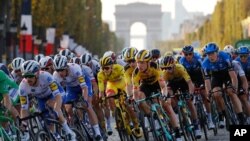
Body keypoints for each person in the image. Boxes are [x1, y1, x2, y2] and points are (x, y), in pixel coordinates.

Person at [132, 49, 182, 141]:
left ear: (148, 62)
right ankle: (152, 116)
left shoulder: (155, 66)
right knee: (140, 98)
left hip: (157, 84)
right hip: (145, 85)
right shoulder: (136, 72)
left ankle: (177, 131)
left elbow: (163, 86)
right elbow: (135, 91)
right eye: (138, 62)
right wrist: (135, 100)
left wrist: (164, 95)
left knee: (166, 105)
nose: (139, 65)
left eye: (142, 63)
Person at [19, 60, 76, 141]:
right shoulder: (22, 87)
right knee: (46, 120)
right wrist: (24, 124)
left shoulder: (46, 76)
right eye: (25, 76)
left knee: (52, 105)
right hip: (41, 98)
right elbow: (24, 108)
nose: (28, 79)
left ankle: (69, 132)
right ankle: (55, 136)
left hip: (54, 94)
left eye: (31, 76)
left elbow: (58, 97)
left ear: (37, 74)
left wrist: (56, 110)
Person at [53, 56, 103, 140]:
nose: (60, 73)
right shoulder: (55, 76)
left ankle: (98, 133)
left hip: (84, 85)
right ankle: (76, 125)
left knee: (87, 106)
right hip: (71, 88)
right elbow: (58, 93)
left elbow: (84, 88)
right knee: (68, 108)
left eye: (62, 70)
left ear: (66, 68)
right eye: (58, 70)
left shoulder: (75, 68)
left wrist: (84, 100)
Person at [98, 56, 142, 138]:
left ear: (112, 66)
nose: (104, 70)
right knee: (110, 97)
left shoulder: (119, 68)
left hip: (122, 83)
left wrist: (129, 92)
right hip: (112, 85)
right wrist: (102, 98)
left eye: (107, 68)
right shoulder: (100, 74)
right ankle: (117, 115)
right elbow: (101, 89)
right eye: (103, 68)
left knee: (127, 104)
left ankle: (136, 125)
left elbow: (126, 79)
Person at [202, 42, 246, 126]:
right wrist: (208, 92)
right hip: (216, 76)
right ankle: (224, 114)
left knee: (231, 92)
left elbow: (233, 76)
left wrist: (235, 87)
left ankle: (241, 117)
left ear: (217, 52)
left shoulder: (225, 57)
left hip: (227, 74)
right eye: (208, 54)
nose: (210, 56)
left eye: (212, 53)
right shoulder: (205, 64)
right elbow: (207, 81)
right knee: (216, 94)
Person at [179, 45, 215, 129]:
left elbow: (204, 71)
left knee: (204, 94)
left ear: (193, 53)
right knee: (189, 97)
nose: (188, 56)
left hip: (199, 75)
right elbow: (183, 76)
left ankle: (210, 119)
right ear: (183, 54)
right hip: (189, 77)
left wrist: (205, 84)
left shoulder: (198, 58)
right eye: (186, 54)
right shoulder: (181, 61)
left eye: (190, 54)